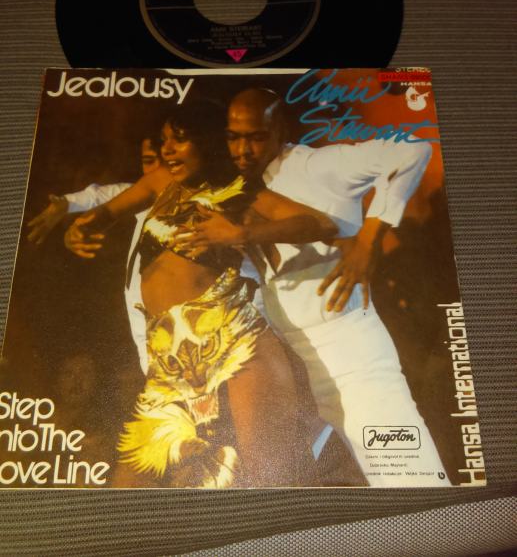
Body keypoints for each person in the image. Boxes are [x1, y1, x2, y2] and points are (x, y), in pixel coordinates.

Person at [65, 101, 337, 489]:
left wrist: (242, 233)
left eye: (179, 140)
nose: (167, 150)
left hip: (233, 341)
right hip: (168, 360)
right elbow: (103, 215)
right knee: (127, 485)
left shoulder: (239, 192)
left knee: (268, 479)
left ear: (207, 141)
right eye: (164, 140)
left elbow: (320, 223)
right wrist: (79, 230)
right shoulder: (160, 182)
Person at [216, 87, 451, 487]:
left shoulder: (316, 165)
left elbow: (412, 149)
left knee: (408, 476)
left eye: (256, 137)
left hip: (348, 351)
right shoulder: (241, 189)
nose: (243, 150)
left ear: (280, 130)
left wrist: (370, 238)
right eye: (234, 137)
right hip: (292, 359)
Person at [27, 136, 163, 372]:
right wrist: (67, 205)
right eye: (149, 161)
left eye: (166, 162)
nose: (157, 172)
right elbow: (102, 195)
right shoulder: (139, 195)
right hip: (140, 317)